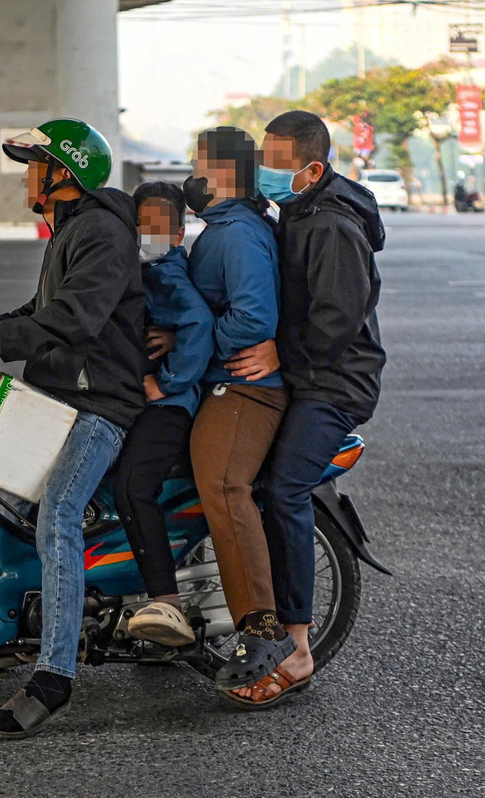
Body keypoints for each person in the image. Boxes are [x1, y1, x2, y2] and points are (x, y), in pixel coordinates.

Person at [0, 118, 144, 739]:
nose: (27, 177)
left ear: (65, 173)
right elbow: (42, 309)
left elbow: (75, 318)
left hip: (99, 404)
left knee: (58, 511)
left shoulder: (102, 233)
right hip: (62, 394)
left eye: (35, 166)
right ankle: (15, 630)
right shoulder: (70, 229)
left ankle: (55, 677)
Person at [223, 110, 386, 707]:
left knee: (283, 488)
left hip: (334, 382)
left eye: (274, 163)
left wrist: (277, 352)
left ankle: (296, 648)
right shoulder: (296, 211)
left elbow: (335, 322)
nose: (262, 171)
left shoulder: (333, 226)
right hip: (302, 372)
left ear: (312, 171)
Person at [183, 127, 296, 692]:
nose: (192, 177)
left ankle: (263, 626)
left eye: (198, 166)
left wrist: (192, 342)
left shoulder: (240, 234)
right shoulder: (225, 228)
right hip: (219, 378)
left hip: (245, 388)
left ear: (223, 173)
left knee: (224, 485)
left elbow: (253, 319)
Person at [113, 181, 214, 647]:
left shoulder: (166, 273)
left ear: (178, 234)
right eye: (141, 223)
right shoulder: (142, 268)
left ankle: (166, 601)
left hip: (170, 405)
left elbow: (199, 323)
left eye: (159, 226)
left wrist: (166, 381)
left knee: (134, 486)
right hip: (147, 400)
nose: (148, 233)